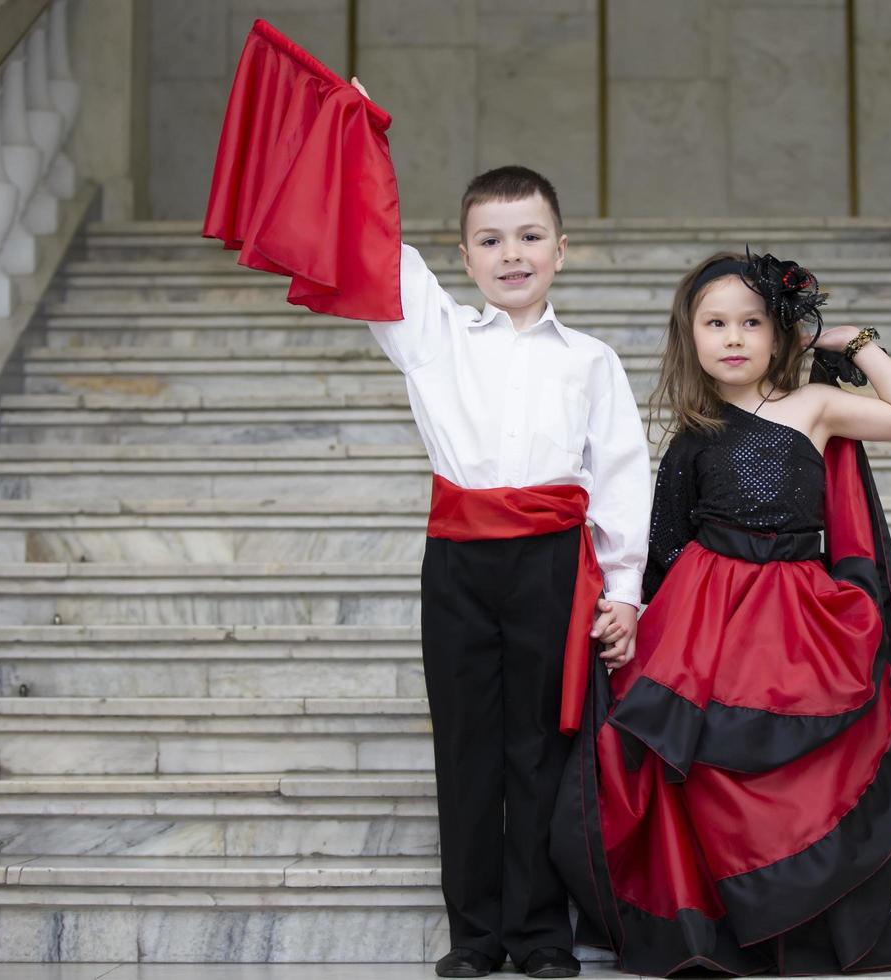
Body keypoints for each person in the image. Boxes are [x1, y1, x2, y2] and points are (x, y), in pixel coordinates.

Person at [552, 250, 891, 975]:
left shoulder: (812, 407)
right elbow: (662, 548)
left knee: (782, 768)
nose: (732, 337)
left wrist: (851, 342)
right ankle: (713, 927)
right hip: (706, 619)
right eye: (715, 323)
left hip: (791, 617)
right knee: (708, 765)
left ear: (777, 333)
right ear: (689, 336)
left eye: (751, 322)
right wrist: (631, 618)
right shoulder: (691, 438)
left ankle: (792, 916)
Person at [363, 153, 652, 978]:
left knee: (540, 747)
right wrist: (362, 144)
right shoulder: (434, 337)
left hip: (555, 564)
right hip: (458, 563)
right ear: (464, 257)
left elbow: (625, 475)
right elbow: (376, 247)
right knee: (466, 748)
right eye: (490, 240)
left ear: (562, 249)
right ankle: (475, 937)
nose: (511, 253)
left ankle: (539, 935)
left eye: (529, 236)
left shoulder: (589, 359)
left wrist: (625, 592)